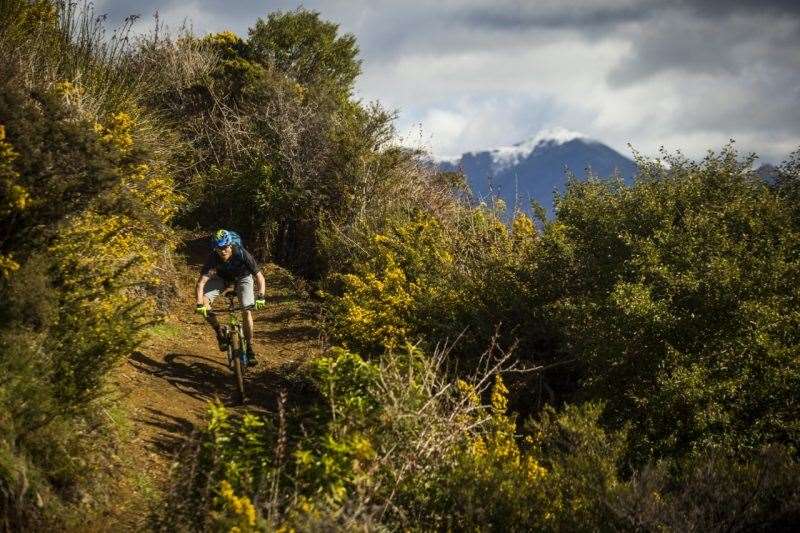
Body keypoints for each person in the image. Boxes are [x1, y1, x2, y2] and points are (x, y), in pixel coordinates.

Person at [195, 229, 266, 366]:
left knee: (247, 310)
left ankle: (250, 348)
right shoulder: (212, 258)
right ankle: (219, 332)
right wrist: (199, 304)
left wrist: (261, 296)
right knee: (204, 300)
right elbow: (201, 283)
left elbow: (259, 277)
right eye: (219, 248)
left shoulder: (242, 253)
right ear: (215, 248)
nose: (223, 251)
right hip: (222, 278)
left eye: (225, 247)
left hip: (243, 277)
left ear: (230, 244)